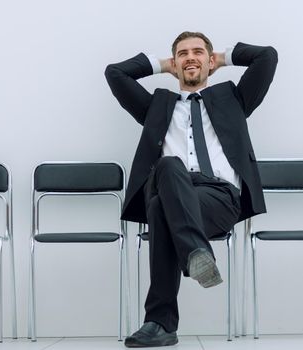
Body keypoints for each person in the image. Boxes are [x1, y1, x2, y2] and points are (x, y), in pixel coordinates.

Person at [105, 31, 278, 347]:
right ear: (175, 63)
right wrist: (162, 65)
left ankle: (159, 323)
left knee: (159, 209)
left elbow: (266, 56)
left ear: (209, 61)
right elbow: (115, 73)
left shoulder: (234, 100)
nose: (190, 58)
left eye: (198, 52)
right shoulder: (156, 106)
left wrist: (221, 60)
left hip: (218, 197)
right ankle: (197, 252)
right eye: (182, 54)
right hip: (168, 182)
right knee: (170, 166)